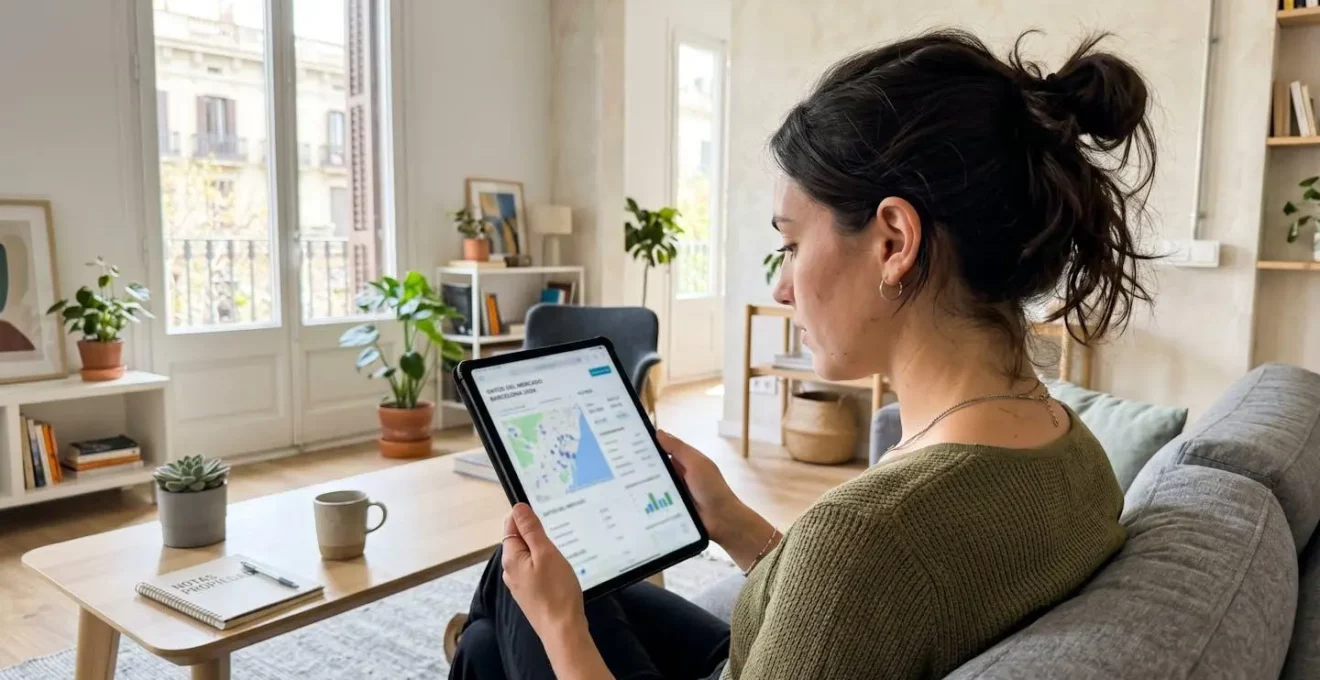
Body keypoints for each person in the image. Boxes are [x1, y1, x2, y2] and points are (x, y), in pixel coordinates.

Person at [450, 27, 1154, 680]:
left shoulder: (865, 536)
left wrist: (560, 629)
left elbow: (860, 576)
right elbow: (868, 617)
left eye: (790, 243)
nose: (781, 286)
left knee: (519, 605)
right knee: (521, 594)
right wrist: (731, 521)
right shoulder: (1072, 449)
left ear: (894, 243)